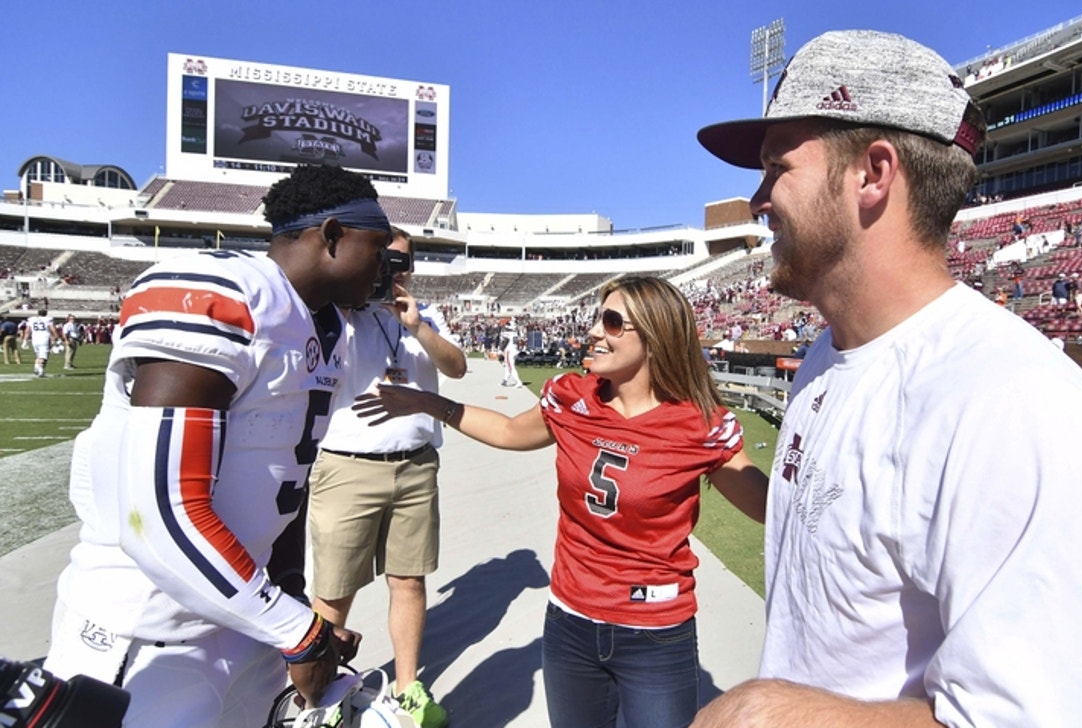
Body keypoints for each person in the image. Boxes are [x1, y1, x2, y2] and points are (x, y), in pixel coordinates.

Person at [693, 29, 1082, 726]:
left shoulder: (1019, 407)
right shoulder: (825, 358)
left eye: (777, 166)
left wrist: (775, 713)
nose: (758, 198)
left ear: (873, 174)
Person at [42, 164, 390, 727]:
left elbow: (282, 484)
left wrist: (291, 602)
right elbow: (158, 512)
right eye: (378, 246)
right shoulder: (223, 292)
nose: (387, 266)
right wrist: (297, 632)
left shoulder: (328, 328)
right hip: (147, 632)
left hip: (242, 621)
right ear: (330, 235)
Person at [352, 276, 768, 728]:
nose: (593, 331)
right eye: (596, 318)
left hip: (656, 633)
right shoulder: (571, 397)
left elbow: (769, 506)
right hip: (570, 623)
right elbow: (510, 432)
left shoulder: (699, 425)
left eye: (611, 322)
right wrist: (429, 402)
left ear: (656, 336)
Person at [308, 226, 466, 728]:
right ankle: (321, 697)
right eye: (383, 259)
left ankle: (406, 688)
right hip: (349, 464)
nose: (391, 270)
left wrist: (418, 327)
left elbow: (457, 367)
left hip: (415, 463)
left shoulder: (426, 317)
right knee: (334, 589)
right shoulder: (339, 310)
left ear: (411, 267)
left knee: (409, 580)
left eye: (400, 262)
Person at [20, 308, 60, 378]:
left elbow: (27, 331)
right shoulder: (48, 319)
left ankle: (36, 368)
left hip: (35, 338)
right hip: (44, 338)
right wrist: (57, 338)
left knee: (38, 354)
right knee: (44, 356)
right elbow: (53, 329)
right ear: (46, 313)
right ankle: (41, 371)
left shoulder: (32, 319)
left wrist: (25, 341)